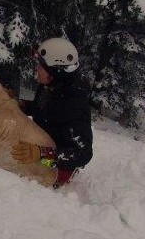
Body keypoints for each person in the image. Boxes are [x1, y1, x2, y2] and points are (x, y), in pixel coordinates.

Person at [11, 37, 93, 187]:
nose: (36, 68)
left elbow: (83, 154)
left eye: (41, 66)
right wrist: (20, 105)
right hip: (38, 146)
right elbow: (42, 110)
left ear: (56, 71)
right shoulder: (49, 87)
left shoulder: (74, 105)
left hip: (57, 167)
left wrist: (41, 155)